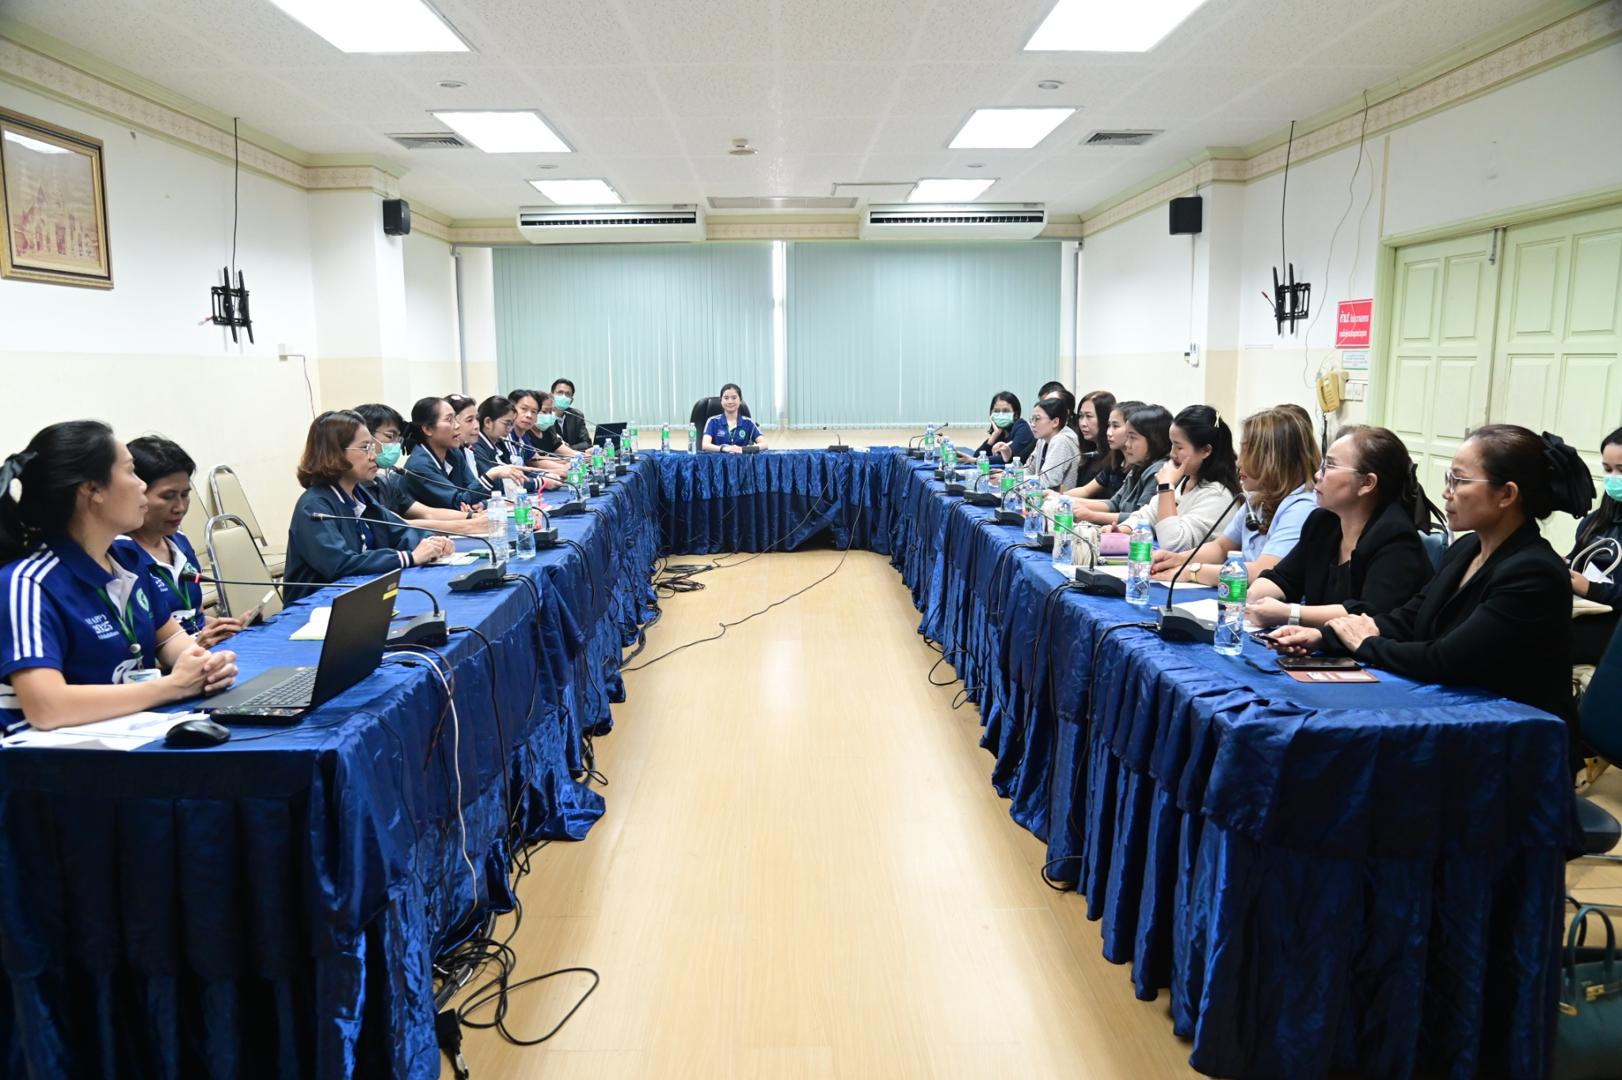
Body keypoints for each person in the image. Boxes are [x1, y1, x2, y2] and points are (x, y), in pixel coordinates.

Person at [1267, 426, 1591, 737]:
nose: (1446, 492)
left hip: (1515, 736)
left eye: (1459, 481)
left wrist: (1365, 644)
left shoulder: (1533, 571)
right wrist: (1324, 637)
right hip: (1463, 714)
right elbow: (1409, 618)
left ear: (1506, 494)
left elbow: (1445, 660)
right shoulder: (1467, 547)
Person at [0, 422, 238, 732]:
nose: (141, 485)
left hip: (125, 731)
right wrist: (173, 686)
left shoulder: (126, 557)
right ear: (93, 490)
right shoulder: (26, 583)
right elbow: (47, 708)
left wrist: (202, 664)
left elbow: (168, 637)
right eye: (130, 472)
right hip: (45, 752)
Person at [1246, 425, 1439, 629]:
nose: (1317, 475)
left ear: (1367, 483)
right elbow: (1284, 578)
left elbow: (1369, 613)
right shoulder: (1322, 522)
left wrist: (1291, 614)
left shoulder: (1396, 537)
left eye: (1329, 466)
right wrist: (1250, 598)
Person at [284, 411, 454, 603]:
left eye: (373, 446)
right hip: (316, 606)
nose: (374, 456)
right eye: (365, 447)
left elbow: (398, 531)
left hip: (362, 597)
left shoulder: (359, 494)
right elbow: (339, 564)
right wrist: (408, 557)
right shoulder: (314, 506)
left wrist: (432, 541)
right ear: (335, 452)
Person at [1149, 405, 1320, 585]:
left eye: (1247, 452)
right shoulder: (1257, 499)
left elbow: (1263, 571)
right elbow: (1221, 547)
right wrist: (1179, 559)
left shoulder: (1302, 508)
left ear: (1273, 459)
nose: (1239, 462)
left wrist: (1192, 571)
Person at [117, 436, 244, 647]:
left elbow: (193, 617)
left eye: (185, 495)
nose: (180, 507)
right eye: (168, 496)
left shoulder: (180, 543)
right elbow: (136, 650)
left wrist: (224, 627)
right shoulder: (121, 556)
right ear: (137, 493)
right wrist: (195, 646)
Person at [1114, 405, 1241, 551]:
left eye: (1179, 447)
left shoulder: (1217, 495)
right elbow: (1147, 515)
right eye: (1172, 445)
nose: (1172, 454)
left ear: (1206, 450)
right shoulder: (1186, 480)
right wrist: (1123, 529)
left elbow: (1173, 544)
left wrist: (1166, 488)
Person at [354, 403, 490, 535]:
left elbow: (428, 513)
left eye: (398, 438)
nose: (395, 444)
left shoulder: (384, 482)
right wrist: (469, 525)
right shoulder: (418, 465)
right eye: (390, 436)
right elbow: (397, 524)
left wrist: (474, 516)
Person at [1568, 426, 1622, 664]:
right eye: (1608, 469)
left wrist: (1592, 589)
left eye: (1621, 469)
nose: (1613, 478)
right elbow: (1577, 560)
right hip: (1585, 612)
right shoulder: (1596, 521)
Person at [1071, 403, 1170, 525]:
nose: (1127, 444)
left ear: (1154, 440)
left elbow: (1141, 518)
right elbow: (1114, 503)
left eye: (1132, 438)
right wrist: (1066, 501)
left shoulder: (1158, 471)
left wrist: (1091, 515)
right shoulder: (1137, 466)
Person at [402, 396, 486, 511]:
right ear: (428, 429)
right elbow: (457, 502)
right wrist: (491, 476)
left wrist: (481, 503)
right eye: (449, 420)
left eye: (455, 419)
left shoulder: (454, 454)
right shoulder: (419, 466)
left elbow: (475, 491)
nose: (457, 425)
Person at [474, 395, 558, 494]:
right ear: (488, 422)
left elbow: (516, 473)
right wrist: (540, 482)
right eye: (507, 423)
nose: (510, 429)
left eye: (512, 424)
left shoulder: (499, 443)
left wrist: (544, 475)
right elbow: (500, 484)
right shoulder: (476, 447)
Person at [447, 393, 527, 495]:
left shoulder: (463, 450)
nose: (476, 425)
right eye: (469, 420)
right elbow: (494, 486)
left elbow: (472, 492)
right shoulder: (473, 447)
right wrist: (492, 475)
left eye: (476, 419)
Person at [1063, 399, 1141, 501]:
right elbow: (1086, 490)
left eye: (1115, 426)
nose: (1109, 432)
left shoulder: (1141, 468)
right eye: (1109, 426)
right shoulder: (1115, 461)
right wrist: (1058, 496)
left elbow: (1116, 505)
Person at [507, 389, 574, 477]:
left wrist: (564, 466)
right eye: (524, 409)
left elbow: (536, 459)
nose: (529, 415)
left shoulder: (523, 437)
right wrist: (556, 471)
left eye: (534, 411)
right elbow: (516, 471)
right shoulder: (506, 436)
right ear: (511, 410)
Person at [1026, 396, 1083, 491]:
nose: (1032, 424)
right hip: (1040, 495)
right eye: (1032, 419)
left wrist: (1017, 480)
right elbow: (1029, 469)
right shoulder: (1042, 440)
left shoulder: (1062, 441)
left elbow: (1047, 481)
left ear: (1055, 422)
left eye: (1037, 419)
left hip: (1061, 498)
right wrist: (1009, 476)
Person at [964, 391, 1034, 465]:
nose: (1001, 415)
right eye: (996, 411)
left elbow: (1007, 458)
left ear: (1015, 414)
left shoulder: (1022, 428)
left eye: (1005, 411)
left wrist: (976, 460)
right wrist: (994, 435)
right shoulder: (1000, 432)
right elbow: (977, 456)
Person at [701, 383, 766, 452]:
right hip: (718, 458)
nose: (730, 402)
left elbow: (764, 444)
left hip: (742, 458)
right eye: (726, 398)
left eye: (734, 398)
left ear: (740, 400)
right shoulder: (712, 421)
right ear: (721, 401)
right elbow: (705, 445)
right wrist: (724, 449)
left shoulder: (749, 423)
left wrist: (743, 449)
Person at [1074, 390, 1118, 489]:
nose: (1082, 423)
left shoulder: (1114, 458)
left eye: (1089, 416)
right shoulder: (1089, 453)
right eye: (1081, 416)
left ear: (1105, 419)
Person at [551, 378, 591, 452]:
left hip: (574, 457)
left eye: (567, 394)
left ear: (571, 401)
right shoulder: (544, 417)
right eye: (560, 392)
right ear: (551, 396)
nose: (563, 397)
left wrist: (568, 450)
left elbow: (587, 443)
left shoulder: (576, 416)